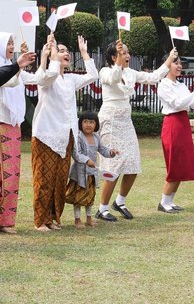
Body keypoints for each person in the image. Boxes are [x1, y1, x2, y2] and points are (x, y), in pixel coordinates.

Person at [96, 41, 177, 221]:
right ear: (113, 56)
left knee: (133, 162)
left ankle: (120, 201)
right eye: (123, 53)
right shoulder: (105, 71)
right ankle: (102, 208)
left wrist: (170, 58)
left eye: (127, 52)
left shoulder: (131, 73)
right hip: (110, 121)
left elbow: (153, 77)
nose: (127, 56)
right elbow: (114, 78)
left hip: (126, 122)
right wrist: (118, 61)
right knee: (113, 166)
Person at [32, 34, 98, 232]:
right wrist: (50, 55)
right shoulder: (45, 76)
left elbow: (93, 76)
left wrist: (85, 53)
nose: (66, 53)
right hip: (46, 135)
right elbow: (47, 76)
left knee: (59, 182)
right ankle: (40, 221)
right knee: (44, 180)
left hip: (65, 137)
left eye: (67, 51)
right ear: (52, 54)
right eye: (61, 50)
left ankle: (53, 218)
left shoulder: (70, 80)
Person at [157, 55, 194, 213]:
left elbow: (192, 103)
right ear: (167, 65)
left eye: (180, 63)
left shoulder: (181, 85)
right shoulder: (164, 85)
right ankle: (164, 202)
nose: (179, 66)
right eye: (175, 63)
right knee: (174, 163)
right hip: (172, 124)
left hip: (183, 124)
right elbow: (178, 103)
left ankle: (170, 201)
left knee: (182, 162)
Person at [0, 34, 37, 234]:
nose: (11, 46)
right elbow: (5, 80)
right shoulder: (9, 69)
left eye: (12, 43)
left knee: (11, 174)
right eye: (8, 43)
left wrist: (48, 56)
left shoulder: (14, 69)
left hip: (11, 125)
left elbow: (38, 78)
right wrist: (17, 65)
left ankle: (6, 220)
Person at [66, 111, 119, 229]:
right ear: (80, 123)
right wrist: (86, 160)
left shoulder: (96, 137)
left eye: (91, 122)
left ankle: (89, 219)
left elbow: (102, 149)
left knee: (90, 196)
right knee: (78, 197)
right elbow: (76, 153)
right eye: (85, 122)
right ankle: (77, 220)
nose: (88, 125)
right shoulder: (78, 137)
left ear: (96, 124)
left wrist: (111, 152)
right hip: (80, 174)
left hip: (91, 174)